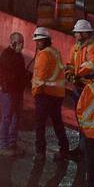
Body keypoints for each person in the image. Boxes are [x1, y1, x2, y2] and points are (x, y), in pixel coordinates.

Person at [32, 27, 73, 163]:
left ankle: (40, 153)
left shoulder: (44, 55)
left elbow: (40, 78)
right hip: (57, 95)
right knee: (57, 122)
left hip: (45, 94)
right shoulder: (55, 52)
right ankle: (64, 149)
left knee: (40, 124)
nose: (37, 44)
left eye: (39, 41)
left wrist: (36, 93)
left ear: (45, 41)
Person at [65, 19, 94, 157]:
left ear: (85, 33)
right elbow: (70, 64)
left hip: (89, 89)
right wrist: (69, 74)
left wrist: (75, 73)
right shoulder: (76, 48)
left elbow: (92, 66)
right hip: (78, 87)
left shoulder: (93, 48)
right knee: (81, 119)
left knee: (87, 120)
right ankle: (83, 147)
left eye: (77, 33)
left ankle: (87, 149)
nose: (75, 35)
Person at [0, 31, 30, 155]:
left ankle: (12, 143)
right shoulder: (7, 55)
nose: (22, 46)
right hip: (7, 92)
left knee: (15, 117)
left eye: (23, 43)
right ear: (14, 43)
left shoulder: (18, 56)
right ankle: (3, 146)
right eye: (20, 43)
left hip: (16, 92)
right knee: (7, 118)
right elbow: (10, 73)